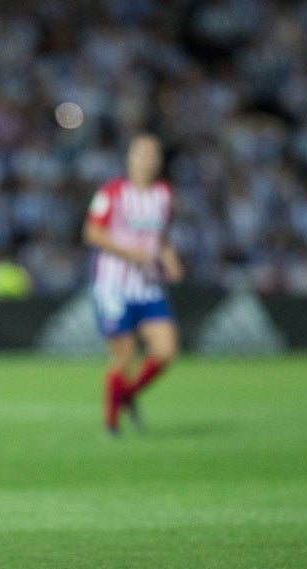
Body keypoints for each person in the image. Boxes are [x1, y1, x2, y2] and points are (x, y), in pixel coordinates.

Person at [82, 133, 184, 436]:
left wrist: (171, 260)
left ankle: (127, 395)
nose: (147, 160)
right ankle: (111, 424)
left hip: (148, 285)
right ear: (130, 158)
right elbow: (92, 233)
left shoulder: (164, 194)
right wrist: (132, 253)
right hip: (113, 287)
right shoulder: (111, 193)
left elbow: (161, 237)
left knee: (166, 350)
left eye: (153, 155)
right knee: (124, 354)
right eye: (142, 154)